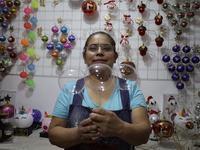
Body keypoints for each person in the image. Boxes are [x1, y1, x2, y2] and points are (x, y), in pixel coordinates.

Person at [48, 31, 151, 150]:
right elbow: (53, 135)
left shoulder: (131, 89)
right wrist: (78, 134)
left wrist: (120, 128)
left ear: (115, 57)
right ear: (84, 57)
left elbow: (143, 135)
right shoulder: (70, 88)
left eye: (106, 48)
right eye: (93, 48)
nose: (99, 52)